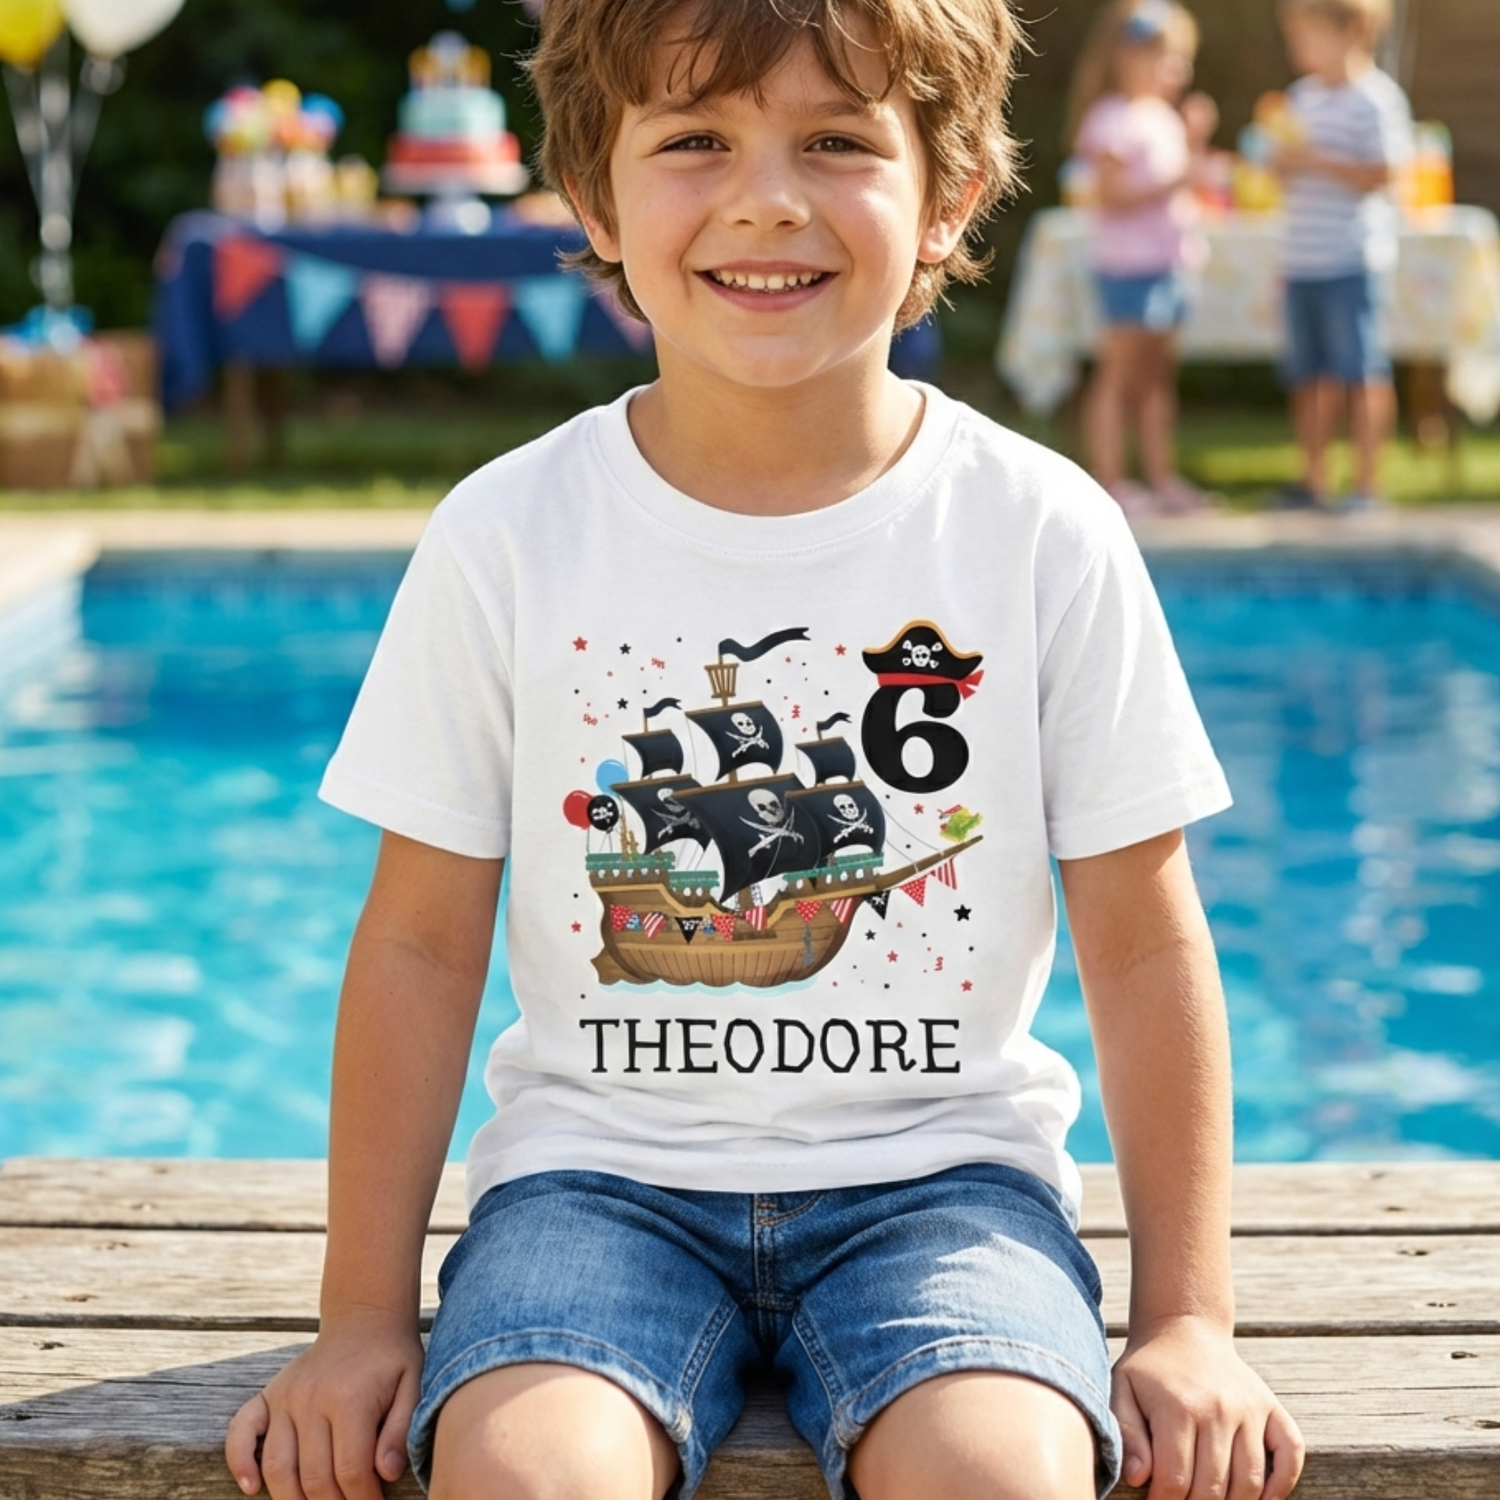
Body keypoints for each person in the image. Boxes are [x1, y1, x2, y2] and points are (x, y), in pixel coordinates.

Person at [224, 2, 1305, 1498]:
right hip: (595, 1187)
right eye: (696, 142)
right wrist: (358, 1318)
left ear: (951, 197)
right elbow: (418, 941)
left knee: (999, 1474)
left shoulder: (1041, 532)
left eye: (838, 141)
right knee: (529, 1475)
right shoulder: (509, 535)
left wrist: (1189, 1320)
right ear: (595, 196)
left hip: (946, 1188)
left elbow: (1143, 941)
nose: (767, 199)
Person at [1068, 0, 1219, 517]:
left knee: (1157, 378)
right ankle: (1111, 481)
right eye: (1166, 58)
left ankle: (1160, 477)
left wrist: (1195, 143)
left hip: (1168, 264)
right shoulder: (1111, 119)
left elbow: (1181, 184)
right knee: (1120, 375)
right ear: (1127, 58)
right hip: (1128, 268)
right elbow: (1110, 194)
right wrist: (1177, 180)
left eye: (1181, 60)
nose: (1178, 71)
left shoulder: (1163, 118)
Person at [1273, 0, 1413, 511]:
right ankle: (1313, 481)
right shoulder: (1299, 98)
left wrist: (1317, 160)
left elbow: (1387, 172)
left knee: (1361, 372)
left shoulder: (1376, 99)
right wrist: (1281, 164)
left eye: (1310, 36)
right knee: (1309, 376)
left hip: (1352, 259)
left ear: (1353, 32)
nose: (1299, 48)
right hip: (1302, 259)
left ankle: (1366, 485)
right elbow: (1282, 171)